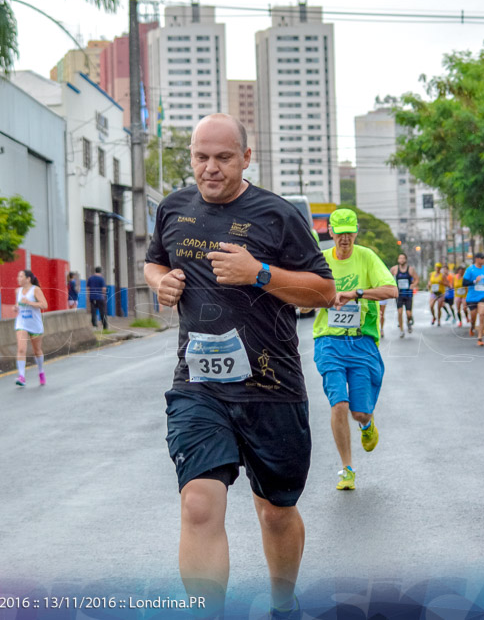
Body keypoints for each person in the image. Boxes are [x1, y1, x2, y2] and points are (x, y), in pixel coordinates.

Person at [144, 113, 336, 618]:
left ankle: (282, 601)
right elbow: (155, 259)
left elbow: (324, 291)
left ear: (246, 158)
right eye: (200, 157)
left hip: (272, 387)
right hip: (198, 387)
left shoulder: (278, 216)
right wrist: (158, 281)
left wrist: (260, 273)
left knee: (276, 511)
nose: (210, 168)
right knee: (199, 503)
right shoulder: (172, 209)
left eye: (223, 158)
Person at [313, 209, 397, 490]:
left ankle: (366, 424)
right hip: (329, 340)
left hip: (362, 341)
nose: (345, 237)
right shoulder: (321, 261)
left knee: (359, 412)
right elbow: (304, 294)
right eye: (341, 231)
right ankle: (347, 469)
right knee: (339, 403)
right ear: (331, 232)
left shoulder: (366, 257)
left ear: (355, 232)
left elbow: (391, 290)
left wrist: (357, 293)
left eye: (350, 231)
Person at [14, 269, 48, 387]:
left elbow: (44, 305)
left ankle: (41, 371)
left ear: (28, 279)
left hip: (34, 324)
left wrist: (29, 302)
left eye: (21, 276)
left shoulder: (35, 290)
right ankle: (22, 376)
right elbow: (18, 305)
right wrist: (16, 308)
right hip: (22, 323)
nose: (18, 279)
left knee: (37, 351)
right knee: (21, 349)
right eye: (18, 276)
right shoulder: (17, 291)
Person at [463, 253, 484, 346]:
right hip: (472, 297)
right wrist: (475, 281)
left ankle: (480, 338)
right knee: (473, 317)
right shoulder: (470, 269)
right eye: (481, 258)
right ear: (476, 259)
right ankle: (472, 327)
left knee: (482, 315)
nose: (483, 260)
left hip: (482, 295)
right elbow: (464, 282)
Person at [392, 253, 418, 338]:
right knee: (399, 312)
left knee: (408, 313)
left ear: (406, 260)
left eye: (403, 258)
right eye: (400, 258)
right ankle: (401, 330)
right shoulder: (395, 269)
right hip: (399, 294)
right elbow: (388, 278)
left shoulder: (410, 269)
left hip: (408, 294)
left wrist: (413, 285)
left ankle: (409, 321)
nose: (401, 260)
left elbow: (417, 279)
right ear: (398, 260)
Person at [428, 262, 445, 326]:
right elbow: (429, 281)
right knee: (431, 306)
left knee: (439, 307)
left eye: (439, 267)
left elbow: (447, 284)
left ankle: (439, 320)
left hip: (440, 293)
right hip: (433, 292)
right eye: (436, 267)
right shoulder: (431, 274)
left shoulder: (442, 275)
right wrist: (429, 285)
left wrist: (442, 282)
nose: (437, 268)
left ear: (440, 268)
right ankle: (434, 317)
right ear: (435, 267)